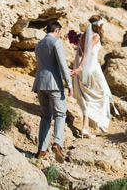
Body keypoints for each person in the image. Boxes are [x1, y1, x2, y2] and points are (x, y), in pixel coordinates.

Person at [32, 20, 72, 163]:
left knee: (45, 116)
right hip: (54, 84)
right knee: (60, 114)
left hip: (40, 83)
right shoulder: (57, 42)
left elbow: (45, 65)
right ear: (57, 30)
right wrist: (69, 83)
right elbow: (62, 63)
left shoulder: (39, 44)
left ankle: (41, 150)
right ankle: (57, 144)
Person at [70, 15, 113, 138]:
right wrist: (81, 67)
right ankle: (100, 122)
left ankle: (86, 127)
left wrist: (79, 66)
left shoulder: (84, 35)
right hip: (92, 68)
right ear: (99, 25)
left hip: (84, 68)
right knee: (103, 93)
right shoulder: (96, 36)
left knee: (88, 95)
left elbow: (80, 52)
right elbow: (88, 52)